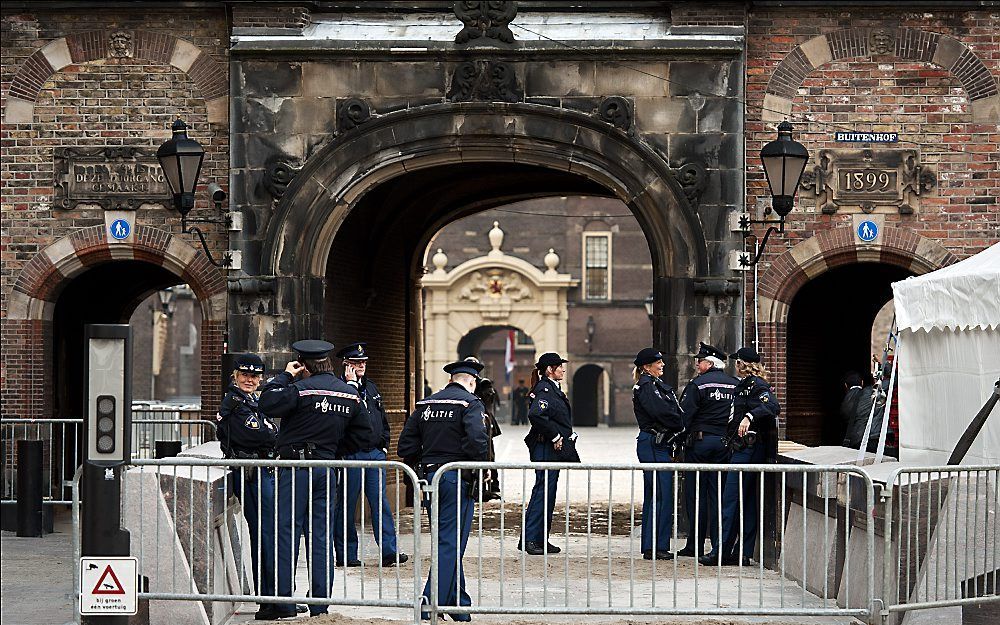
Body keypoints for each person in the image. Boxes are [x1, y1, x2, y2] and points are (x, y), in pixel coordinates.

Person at [258, 339, 375, 618]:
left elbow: (267, 402)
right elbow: (365, 435)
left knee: (285, 533)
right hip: (326, 467)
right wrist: (333, 451)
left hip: (296, 469)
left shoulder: (297, 390)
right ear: (329, 363)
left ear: (304, 364)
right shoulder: (348, 394)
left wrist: (286, 375)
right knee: (320, 536)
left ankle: (284, 603)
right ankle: (320, 605)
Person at [397, 359, 490, 622]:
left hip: (430, 477)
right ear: (471, 382)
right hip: (456, 477)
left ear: (452, 379)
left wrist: (424, 462)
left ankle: (458, 603)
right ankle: (430, 601)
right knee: (450, 542)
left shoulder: (426, 404)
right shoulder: (470, 403)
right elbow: (477, 440)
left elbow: (406, 445)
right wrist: (473, 466)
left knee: (450, 541)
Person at [700, 346, 780, 566]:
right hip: (741, 448)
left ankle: (721, 551)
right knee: (747, 502)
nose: (735, 365)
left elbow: (773, 406)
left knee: (731, 499)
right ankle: (741, 552)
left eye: (737, 362)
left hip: (748, 450)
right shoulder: (744, 385)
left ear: (743, 364)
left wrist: (749, 416)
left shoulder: (757, 385)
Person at [333, 342, 408, 568]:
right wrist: (352, 386)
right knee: (346, 506)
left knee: (380, 504)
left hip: (374, 454)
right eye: (356, 363)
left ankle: (389, 551)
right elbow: (348, 417)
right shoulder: (340, 388)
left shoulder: (372, 388)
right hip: (351, 454)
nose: (361, 366)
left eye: (363, 362)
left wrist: (383, 445)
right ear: (346, 365)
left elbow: (381, 419)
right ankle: (346, 553)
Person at [217, 353, 282, 620]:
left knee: (269, 535)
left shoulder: (252, 401)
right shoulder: (234, 403)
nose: (249, 380)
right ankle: (269, 599)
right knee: (264, 535)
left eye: (254, 376)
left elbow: (269, 433)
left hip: (259, 471)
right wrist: (269, 436)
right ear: (235, 376)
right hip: (250, 474)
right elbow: (260, 434)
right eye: (244, 375)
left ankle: (274, 594)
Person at [677, 342, 737, 558]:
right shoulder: (734, 384)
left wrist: (678, 440)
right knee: (719, 497)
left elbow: (685, 417)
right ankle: (718, 547)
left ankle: (695, 545)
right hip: (724, 445)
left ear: (710, 363)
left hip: (699, 445)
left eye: (700, 361)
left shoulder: (698, 385)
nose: (697, 364)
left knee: (696, 496)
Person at [520, 352, 578, 556]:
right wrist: (555, 436)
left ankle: (539, 538)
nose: (563, 369)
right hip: (545, 447)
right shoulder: (545, 388)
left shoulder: (552, 388)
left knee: (548, 493)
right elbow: (536, 414)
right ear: (549, 370)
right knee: (542, 492)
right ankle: (531, 540)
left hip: (550, 449)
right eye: (559, 366)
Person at [632, 348, 685, 561]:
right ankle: (655, 545)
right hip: (654, 442)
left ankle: (655, 544)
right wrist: (680, 422)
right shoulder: (646, 386)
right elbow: (663, 413)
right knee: (659, 494)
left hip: (658, 443)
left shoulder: (654, 385)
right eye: (658, 362)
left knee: (659, 493)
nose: (662, 365)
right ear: (647, 366)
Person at [467, 357, 503, 501]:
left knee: (488, 453)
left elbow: (489, 398)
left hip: (483, 420)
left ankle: (492, 484)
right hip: (469, 419)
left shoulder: (483, 383)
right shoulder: (463, 383)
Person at [840, 370, 886, 452]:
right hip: (874, 437)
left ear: (846, 385)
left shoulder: (844, 403)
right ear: (862, 382)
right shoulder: (871, 392)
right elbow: (892, 381)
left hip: (856, 440)